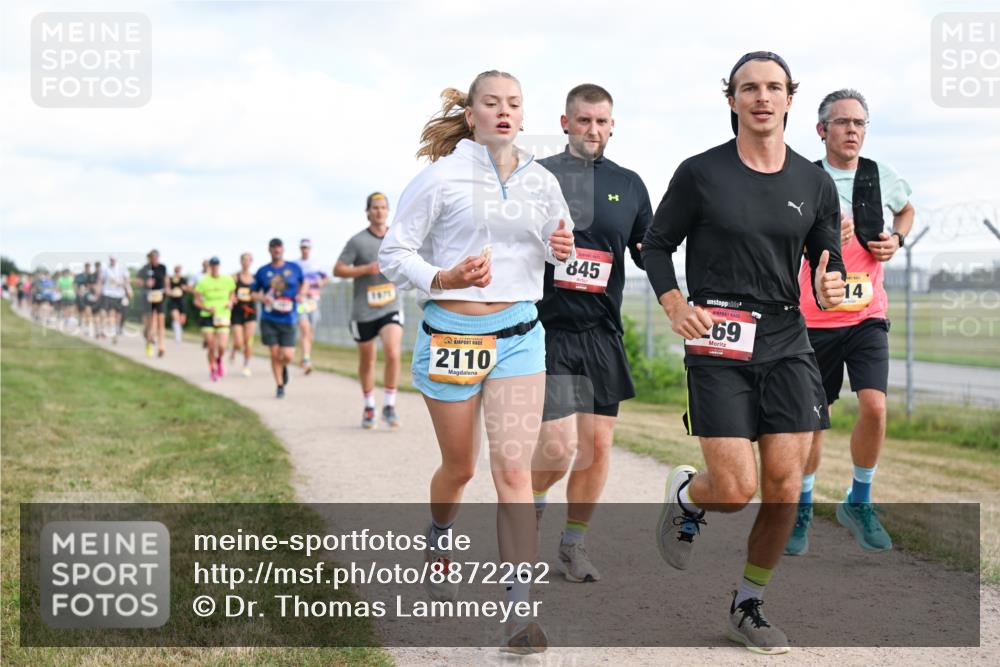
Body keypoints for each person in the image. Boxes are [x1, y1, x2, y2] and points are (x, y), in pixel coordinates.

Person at [642, 52, 846, 654]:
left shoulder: (814, 182)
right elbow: (656, 245)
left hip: (786, 340)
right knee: (734, 490)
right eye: (748, 88)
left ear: (790, 99)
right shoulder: (701, 173)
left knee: (785, 485)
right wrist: (675, 304)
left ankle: (747, 604)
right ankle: (688, 494)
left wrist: (831, 290)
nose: (762, 97)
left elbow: (825, 265)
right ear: (731, 100)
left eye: (773, 87)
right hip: (717, 335)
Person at [378, 70, 575, 654]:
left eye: (514, 103)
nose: (505, 111)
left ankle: (519, 612)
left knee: (512, 472)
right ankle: (439, 531)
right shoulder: (440, 178)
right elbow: (395, 253)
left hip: (519, 334)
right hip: (452, 334)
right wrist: (443, 276)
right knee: (460, 468)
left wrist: (560, 249)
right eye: (492, 103)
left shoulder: (542, 182)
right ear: (472, 115)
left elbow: (553, 250)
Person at [530, 83, 652, 583]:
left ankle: (573, 544)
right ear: (564, 122)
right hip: (547, 329)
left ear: (613, 125)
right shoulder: (538, 178)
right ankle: (527, 510)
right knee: (557, 448)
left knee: (598, 447)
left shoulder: (630, 184)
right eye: (584, 121)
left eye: (602, 122)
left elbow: (651, 249)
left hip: (602, 333)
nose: (593, 130)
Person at [785, 89, 915, 557]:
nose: (852, 130)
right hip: (813, 321)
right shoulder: (801, 178)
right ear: (822, 130)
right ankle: (801, 508)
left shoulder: (881, 175)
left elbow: (906, 208)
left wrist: (896, 239)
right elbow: (777, 236)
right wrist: (815, 234)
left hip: (866, 315)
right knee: (814, 422)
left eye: (860, 123)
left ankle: (858, 499)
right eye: (842, 123)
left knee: (875, 407)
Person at [334, 193, 405, 429]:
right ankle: (369, 405)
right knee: (368, 360)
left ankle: (390, 405)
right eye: (375, 208)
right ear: (367, 212)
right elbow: (339, 269)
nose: (379, 211)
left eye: (383, 207)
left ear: (388, 211)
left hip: (390, 305)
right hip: (364, 310)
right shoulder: (357, 242)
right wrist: (365, 269)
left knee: (393, 352)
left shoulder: (396, 237)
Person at [252, 238, 306, 398]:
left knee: (288, 355)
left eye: (279, 247)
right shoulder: (262, 271)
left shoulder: (294, 268)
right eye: (273, 248)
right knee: (274, 353)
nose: (276, 250)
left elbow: (305, 283)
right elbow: (253, 292)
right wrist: (263, 299)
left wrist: (302, 293)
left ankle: (283, 367)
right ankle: (280, 385)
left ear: (283, 250)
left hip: (289, 318)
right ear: (269, 250)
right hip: (269, 318)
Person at [193, 257, 236, 381]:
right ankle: (212, 369)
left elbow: (233, 294)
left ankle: (219, 360)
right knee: (211, 345)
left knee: (222, 346)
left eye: (217, 265)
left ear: (219, 266)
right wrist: (206, 308)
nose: (215, 267)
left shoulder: (227, 280)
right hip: (208, 316)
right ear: (209, 267)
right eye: (212, 265)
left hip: (223, 315)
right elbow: (196, 300)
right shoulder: (203, 281)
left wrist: (230, 302)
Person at [294, 238, 329, 375]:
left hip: (314, 301)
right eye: (303, 247)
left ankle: (305, 356)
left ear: (310, 248)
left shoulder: (317, 263)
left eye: (307, 247)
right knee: (304, 328)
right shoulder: (295, 264)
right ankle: (306, 360)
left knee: (310, 331)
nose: (305, 250)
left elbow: (326, 278)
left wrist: (322, 282)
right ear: (300, 248)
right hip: (301, 301)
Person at [230, 252, 258, 377]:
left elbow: (258, 293)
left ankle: (246, 365)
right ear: (241, 262)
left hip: (250, 312)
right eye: (244, 260)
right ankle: (234, 349)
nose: (246, 262)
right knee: (239, 341)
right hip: (237, 312)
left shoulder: (255, 278)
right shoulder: (235, 277)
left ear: (251, 262)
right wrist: (231, 298)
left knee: (248, 340)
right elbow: (229, 292)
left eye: (248, 260)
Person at [140, 250, 168, 357]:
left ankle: (161, 346)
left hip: (160, 296)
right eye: (152, 257)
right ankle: (148, 340)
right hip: (148, 297)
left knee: (161, 321)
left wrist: (167, 289)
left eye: (156, 257)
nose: (154, 259)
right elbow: (138, 281)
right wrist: (145, 283)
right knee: (150, 322)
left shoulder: (162, 268)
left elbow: (166, 280)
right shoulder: (145, 269)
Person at [100, 256, 132, 344]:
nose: (112, 261)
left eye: (113, 260)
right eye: (111, 260)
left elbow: (128, 280)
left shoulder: (122, 269)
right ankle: (110, 331)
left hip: (119, 295)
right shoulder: (105, 269)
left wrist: (124, 286)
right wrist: (99, 291)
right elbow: (101, 281)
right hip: (108, 293)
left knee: (118, 314)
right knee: (110, 313)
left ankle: (115, 330)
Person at [166, 265, 189, 343]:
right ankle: (177, 337)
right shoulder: (171, 279)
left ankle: (178, 332)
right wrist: (171, 292)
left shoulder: (183, 279)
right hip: (173, 301)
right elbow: (167, 289)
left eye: (179, 271)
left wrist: (184, 288)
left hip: (182, 301)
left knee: (181, 320)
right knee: (176, 318)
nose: (177, 272)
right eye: (176, 271)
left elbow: (188, 289)